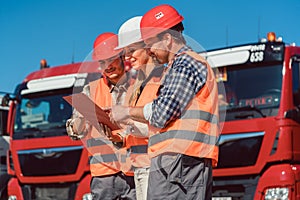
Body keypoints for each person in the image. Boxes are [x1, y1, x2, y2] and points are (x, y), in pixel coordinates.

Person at [112, 4, 219, 200]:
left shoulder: (185, 64)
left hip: (180, 163)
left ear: (167, 39)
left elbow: (161, 115)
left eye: (151, 44)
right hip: (177, 163)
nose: (150, 51)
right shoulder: (177, 66)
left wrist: (126, 112)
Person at [66, 32, 136, 200]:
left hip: (135, 169)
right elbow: (76, 131)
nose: (108, 66)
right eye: (102, 62)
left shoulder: (138, 86)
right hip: (104, 173)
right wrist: (80, 122)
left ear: (121, 57)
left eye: (111, 59)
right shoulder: (90, 90)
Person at [106, 16, 164, 200]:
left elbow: (162, 127)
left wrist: (127, 120)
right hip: (139, 168)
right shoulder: (137, 85)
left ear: (148, 46)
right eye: (124, 52)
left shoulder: (162, 79)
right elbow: (136, 131)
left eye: (132, 50)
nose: (127, 57)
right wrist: (116, 135)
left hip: (157, 168)